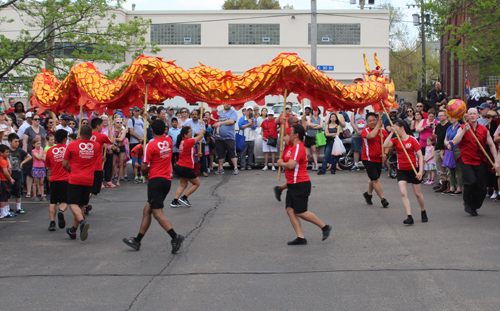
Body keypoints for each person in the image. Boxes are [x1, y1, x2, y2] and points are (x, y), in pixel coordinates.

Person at [122, 120, 185, 254]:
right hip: (166, 180)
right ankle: (137, 240)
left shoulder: (150, 145)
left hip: (155, 180)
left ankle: (175, 237)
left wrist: (143, 171)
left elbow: (144, 168)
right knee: (147, 210)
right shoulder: (168, 140)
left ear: (152, 131)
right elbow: (159, 128)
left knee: (157, 213)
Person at [276, 124, 332, 245]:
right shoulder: (293, 145)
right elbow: (283, 137)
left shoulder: (298, 148)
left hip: (300, 184)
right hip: (292, 184)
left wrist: (281, 163)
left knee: (300, 212)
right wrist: (282, 123)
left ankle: (324, 227)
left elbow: (291, 165)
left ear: (296, 135)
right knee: (290, 210)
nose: (289, 134)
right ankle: (300, 237)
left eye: (291, 132)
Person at [452, 108, 499, 216]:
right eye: (470, 114)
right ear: (467, 116)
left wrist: (496, 162)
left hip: (480, 160)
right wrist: (464, 131)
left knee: (482, 188)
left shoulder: (484, 129)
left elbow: (491, 145)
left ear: (478, 115)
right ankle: (467, 203)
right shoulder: (462, 127)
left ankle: (474, 206)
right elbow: (455, 141)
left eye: (474, 114)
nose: (472, 116)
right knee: (470, 182)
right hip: (467, 160)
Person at [383, 120, 427, 225]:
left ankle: (423, 210)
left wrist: (420, 171)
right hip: (401, 169)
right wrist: (392, 133)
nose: (393, 128)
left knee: (417, 194)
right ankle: (409, 216)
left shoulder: (412, 140)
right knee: (403, 193)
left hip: (413, 169)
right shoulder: (396, 140)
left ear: (402, 128)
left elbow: (420, 156)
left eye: (395, 127)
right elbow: (385, 144)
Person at [62, 125, 100, 241]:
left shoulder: (72, 145)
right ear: (91, 135)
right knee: (81, 205)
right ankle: (73, 230)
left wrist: (71, 171)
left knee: (73, 203)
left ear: (79, 134)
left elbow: (64, 164)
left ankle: (82, 222)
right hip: (88, 179)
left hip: (75, 178)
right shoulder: (97, 146)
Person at [359, 112, 390, 207]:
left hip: (378, 159)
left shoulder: (383, 132)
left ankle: (368, 194)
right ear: (367, 122)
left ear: (377, 120)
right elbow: (371, 136)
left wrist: (385, 153)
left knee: (373, 179)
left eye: (374, 120)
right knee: (375, 179)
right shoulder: (365, 131)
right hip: (368, 159)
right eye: (370, 121)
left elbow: (387, 144)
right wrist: (378, 126)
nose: (372, 122)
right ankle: (383, 199)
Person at [171, 125, 206, 207]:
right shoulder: (188, 141)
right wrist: (201, 125)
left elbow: (186, 154)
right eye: (190, 133)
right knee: (196, 183)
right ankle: (184, 197)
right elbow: (201, 135)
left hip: (180, 166)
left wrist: (196, 155)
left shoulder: (183, 142)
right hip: (186, 167)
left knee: (183, 185)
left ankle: (175, 201)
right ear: (185, 135)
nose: (192, 134)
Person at [85, 118, 112, 214]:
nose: (102, 127)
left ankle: (86, 205)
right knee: (92, 189)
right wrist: (110, 130)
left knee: (87, 188)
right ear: (97, 126)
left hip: (86, 165)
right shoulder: (101, 136)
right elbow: (111, 142)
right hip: (96, 167)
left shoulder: (85, 136)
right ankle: (84, 205)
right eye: (101, 126)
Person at [45, 130, 70, 231]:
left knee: (53, 202)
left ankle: (52, 222)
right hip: (66, 179)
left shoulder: (50, 151)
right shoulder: (68, 149)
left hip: (54, 178)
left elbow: (48, 166)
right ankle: (61, 211)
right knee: (64, 201)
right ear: (65, 139)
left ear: (55, 139)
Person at [22, 114, 46, 198]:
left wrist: (45, 151)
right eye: (35, 119)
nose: (37, 120)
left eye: (39, 119)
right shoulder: (28, 130)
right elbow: (25, 141)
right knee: (29, 173)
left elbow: (45, 141)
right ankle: (28, 191)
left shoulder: (42, 129)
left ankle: (39, 191)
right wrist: (25, 153)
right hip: (31, 153)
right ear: (31, 120)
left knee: (40, 172)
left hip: (41, 153)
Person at [7, 133, 31, 215]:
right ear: (10, 142)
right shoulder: (7, 151)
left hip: (18, 173)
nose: (17, 143)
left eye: (18, 141)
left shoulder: (20, 150)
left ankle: (18, 207)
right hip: (9, 173)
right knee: (8, 192)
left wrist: (22, 163)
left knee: (18, 191)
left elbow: (29, 156)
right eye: (15, 141)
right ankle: (7, 207)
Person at [213, 104, 239, 175]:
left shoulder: (233, 112)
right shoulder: (219, 112)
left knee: (232, 153)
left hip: (229, 137)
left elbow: (231, 121)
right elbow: (214, 121)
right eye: (226, 103)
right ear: (223, 104)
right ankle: (220, 168)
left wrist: (220, 123)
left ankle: (235, 168)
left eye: (229, 103)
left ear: (231, 105)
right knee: (220, 153)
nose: (227, 104)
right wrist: (214, 124)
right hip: (219, 138)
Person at [184, 109, 208, 176]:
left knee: (202, 155)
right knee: (191, 155)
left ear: (198, 115)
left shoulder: (201, 122)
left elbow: (203, 132)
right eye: (193, 114)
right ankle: (190, 170)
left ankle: (203, 171)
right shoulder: (188, 121)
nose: (194, 116)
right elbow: (183, 128)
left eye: (195, 114)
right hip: (191, 141)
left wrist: (196, 134)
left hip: (200, 141)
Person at [444, 117, 463, 195]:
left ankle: (459, 187)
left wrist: (450, 143)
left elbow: (457, 138)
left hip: (457, 149)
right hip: (449, 149)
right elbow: (445, 139)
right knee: (450, 168)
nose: (451, 119)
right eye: (450, 117)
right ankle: (452, 186)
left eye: (453, 117)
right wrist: (447, 143)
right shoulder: (449, 127)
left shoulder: (460, 127)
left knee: (458, 169)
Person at [0, 145, 16, 219]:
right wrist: (10, 179)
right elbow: (5, 172)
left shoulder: (5, 159)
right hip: (3, 180)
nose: (8, 153)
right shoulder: (2, 160)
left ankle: (6, 211)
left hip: (5, 180)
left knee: (6, 196)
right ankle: (3, 212)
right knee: (3, 196)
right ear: (1, 153)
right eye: (6, 152)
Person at [112, 117, 127, 186]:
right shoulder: (112, 129)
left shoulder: (123, 130)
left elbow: (121, 139)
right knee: (113, 164)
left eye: (121, 122)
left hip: (121, 147)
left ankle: (118, 180)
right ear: (114, 123)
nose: (119, 124)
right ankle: (111, 177)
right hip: (114, 147)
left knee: (120, 165)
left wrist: (114, 138)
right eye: (118, 122)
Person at [30, 137, 46, 202]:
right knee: (36, 183)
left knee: (41, 183)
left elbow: (44, 159)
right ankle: (34, 195)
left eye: (40, 144)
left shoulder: (42, 151)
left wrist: (41, 155)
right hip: (36, 168)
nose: (39, 145)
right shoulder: (33, 151)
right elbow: (39, 158)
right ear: (34, 145)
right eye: (37, 144)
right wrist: (41, 152)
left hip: (42, 167)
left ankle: (42, 195)